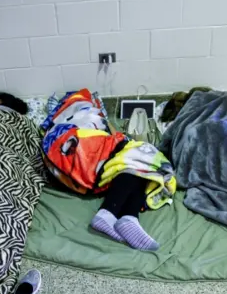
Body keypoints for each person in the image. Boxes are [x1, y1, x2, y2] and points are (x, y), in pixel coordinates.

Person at [42, 89, 176, 252]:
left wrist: (119, 138)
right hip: (73, 138)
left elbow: (108, 128)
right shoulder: (68, 107)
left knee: (137, 160)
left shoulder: (95, 108)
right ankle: (116, 213)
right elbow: (54, 124)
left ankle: (126, 217)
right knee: (140, 154)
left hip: (92, 141)